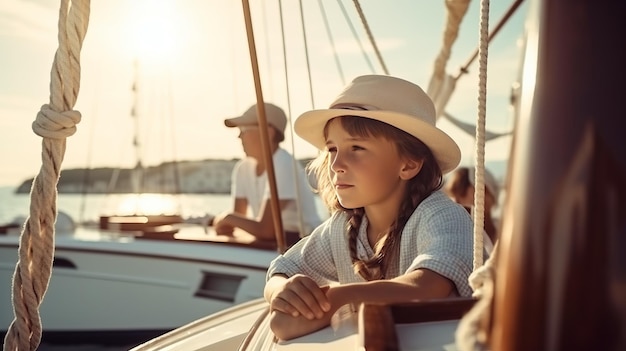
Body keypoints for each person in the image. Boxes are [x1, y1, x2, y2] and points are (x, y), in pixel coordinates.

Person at [263, 75, 475, 340]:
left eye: (356, 147)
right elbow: (282, 269)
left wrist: (342, 297)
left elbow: (431, 285)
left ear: (408, 164)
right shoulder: (343, 229)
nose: (336, 164)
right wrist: (282, 290)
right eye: (332, 149)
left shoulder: (443, 216)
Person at [211, 102, 323, 247]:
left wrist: (226, 217)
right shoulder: (243, 168)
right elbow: (239, 219)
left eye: (244, 129)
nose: (239, 136)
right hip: (273, 243)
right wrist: (229, 219)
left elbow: (267, 229)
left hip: (303, 245)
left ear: (268, 132)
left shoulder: (284, 163)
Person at [445, 166, 500, 244]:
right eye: (452, 195)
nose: (455, 201)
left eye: (462, 192)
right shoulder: (454, 234)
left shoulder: (506, 229)